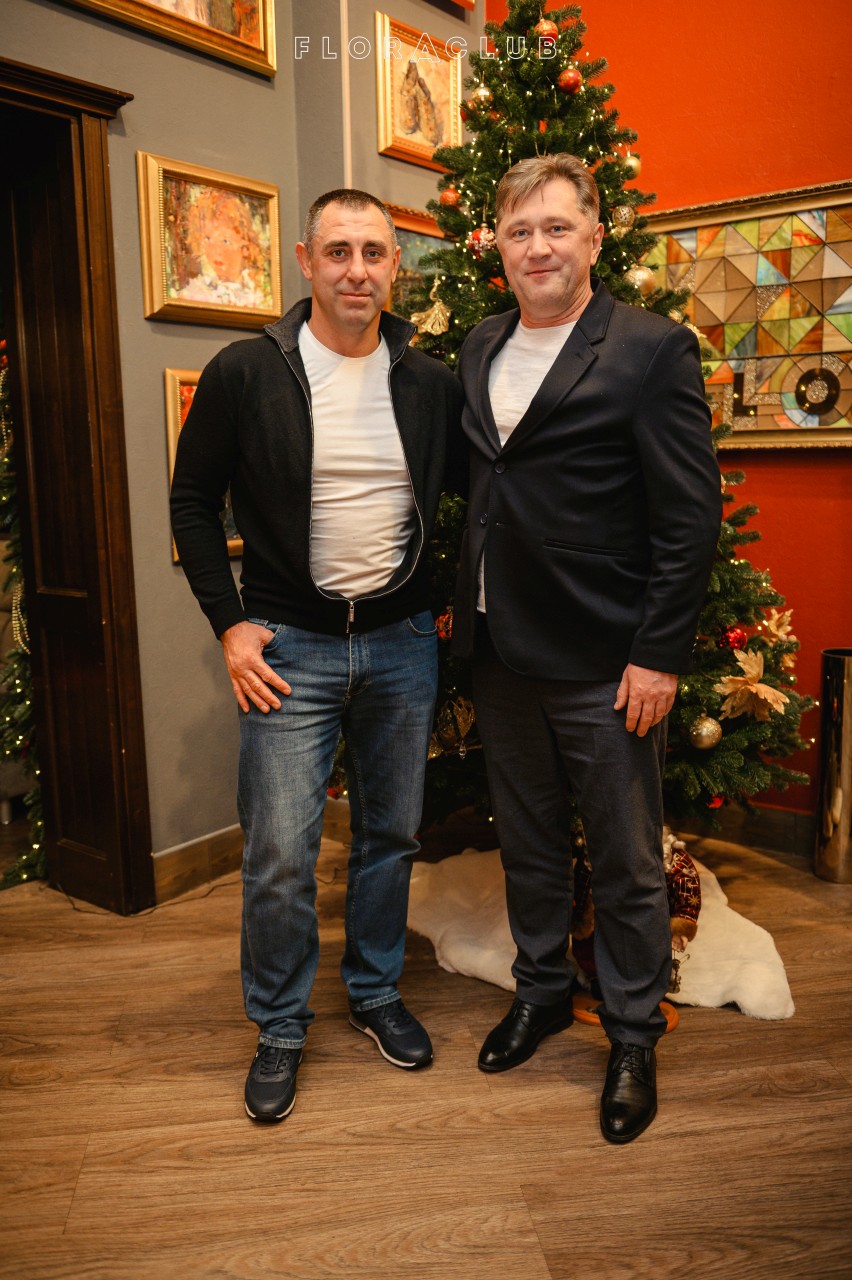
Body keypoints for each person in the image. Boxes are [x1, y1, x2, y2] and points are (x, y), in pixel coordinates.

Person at [171, 189, 464, 1124]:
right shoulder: (245, 372)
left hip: (402, 644)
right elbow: (191, 503)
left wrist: (446, 605)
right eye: (338, 251)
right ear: (304, 261)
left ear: (394, 267)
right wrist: (230, 624)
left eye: (374, 252)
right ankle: (281, 1023)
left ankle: (374, 990)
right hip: (287, 647)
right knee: (279, 851)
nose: (356, 270)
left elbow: (475, 497)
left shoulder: (430, 381)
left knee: (391, 835)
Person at [451, 154, 721, 1144]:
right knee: (526, 843)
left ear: (596, 237)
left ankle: (634, 1032)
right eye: (520, 231)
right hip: (500, 649)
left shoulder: (650, 348)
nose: (539, 248)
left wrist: (658, 653)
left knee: (624, 859)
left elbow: (689, 518)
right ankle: (540, 993)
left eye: (557, 228)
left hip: (607, 660)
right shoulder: (480, 343)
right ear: (498, 246)